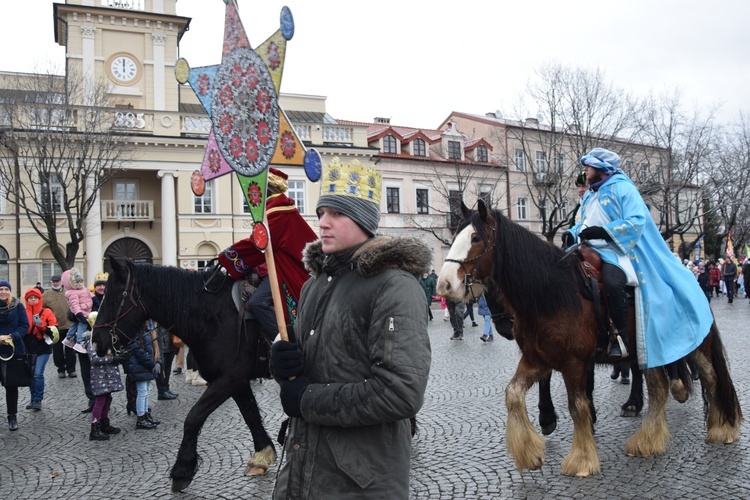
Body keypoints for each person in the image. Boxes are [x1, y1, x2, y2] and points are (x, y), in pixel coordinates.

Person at [270, 157, 431, 499]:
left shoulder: (395, 286)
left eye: (336, 214)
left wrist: (307, 399)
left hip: (361, 483)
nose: (323, 224)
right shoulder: (314, 285)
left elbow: (400, 392)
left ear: (363, 220)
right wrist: (281, 359)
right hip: (304, 473)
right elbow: (311, 363)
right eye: (320, 214)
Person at [565, 148, 713, 383]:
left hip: (615, 251)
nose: (585, 170)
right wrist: (571, 234)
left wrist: (604, 231)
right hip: (587, 250)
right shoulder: (591, 195)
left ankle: (619, 337)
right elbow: (583, 223)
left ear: (602, 168)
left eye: (589, 166)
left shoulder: (624, 188)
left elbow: (636, 221)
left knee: (613, 282)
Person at [218, 167, 318, 339]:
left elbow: (257, 244)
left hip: (285, 272)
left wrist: (227, 256)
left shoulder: (277, 212)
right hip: (274, 268)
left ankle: (284, 340)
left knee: (257, 303)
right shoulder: (276, 209)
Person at [22, 287, 58, 411]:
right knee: (31, 374)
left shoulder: (46, 312)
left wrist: (43, 328)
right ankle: (33, 399)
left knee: (38, 373)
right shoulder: (23, 311)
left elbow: (54, 328)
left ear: (39, 299)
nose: (33, 300)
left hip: (43, 346)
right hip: (28, 347)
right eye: (30, 298)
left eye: (35, 298)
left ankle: (38, 399)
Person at [0, 280, 29, 431]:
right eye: (0, 289)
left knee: (11, 385)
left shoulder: (17, 306)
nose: (3, 292)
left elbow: (24, 325)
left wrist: (13, 337)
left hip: (13, 349)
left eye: (6, 289)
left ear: (9, 291)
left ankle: (12, 416)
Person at [86, 336, 124, 441]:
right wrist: (112, 359)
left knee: (107, 399)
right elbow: (94, 359)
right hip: (99, 377)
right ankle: (95, 428)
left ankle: (104, 423)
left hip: (108, 376)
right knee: (100, 400)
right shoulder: (92, 341)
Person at [126, 320, 161, 430]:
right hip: (140, 366)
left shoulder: (147, 330)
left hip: (145, 367)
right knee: (142, 392)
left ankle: (145, 415)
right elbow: (137, 350)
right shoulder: (137, 330)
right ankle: (141, 418)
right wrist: (151, 364)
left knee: (146, 391)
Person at [43, 274, 76, 379]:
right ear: (51, 282)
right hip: (55, 327)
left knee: (70, 349)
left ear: (61, 282)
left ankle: (71, 369)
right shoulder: (46, 295)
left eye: (57, 281)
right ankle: (61, 369)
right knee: (57, 351)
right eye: (54, 281)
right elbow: (42, 310)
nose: (56, 283)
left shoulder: (68, 292)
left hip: (69, 325)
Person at [61, 268, 92, 354]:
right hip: (82, 311)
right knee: (82, 324)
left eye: (81, 282)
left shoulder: (81, 289)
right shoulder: (73, 293)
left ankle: (68, 337)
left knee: (76, 324)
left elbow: (89, 294)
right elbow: (75, 305)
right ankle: (79, 341)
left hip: (82, 310)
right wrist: (80, 314)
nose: (79, 284)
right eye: (77, 282)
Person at [155, 322, 179, 400]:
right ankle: (161, 391)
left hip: (170, 343)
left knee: (168, 367)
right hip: (160, 343)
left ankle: (166, 388)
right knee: (161, 367)